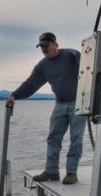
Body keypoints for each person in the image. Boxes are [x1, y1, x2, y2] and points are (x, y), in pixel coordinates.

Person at [6, 32, 86, 185]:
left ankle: (71, 172)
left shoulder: (71, 55)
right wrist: (14, 95)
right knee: (53, 138)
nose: (43, 49)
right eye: (41, 47)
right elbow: (31, 84)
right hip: (60, 103)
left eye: (45, 46)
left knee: (76, 138)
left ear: (55, 44)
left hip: (79, 102)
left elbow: (89, 73)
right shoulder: (42, 66)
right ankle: (51, 171)